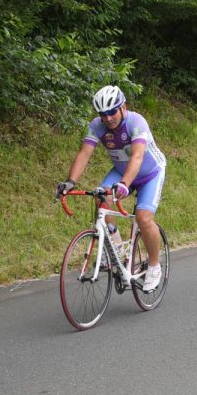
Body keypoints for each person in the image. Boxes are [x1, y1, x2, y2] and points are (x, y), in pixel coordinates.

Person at [55, 85, 166, 292]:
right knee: (101, 198)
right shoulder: (97, 126)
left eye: (112, 112)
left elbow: (138, 156)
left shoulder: (136, 122)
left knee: (143, 218)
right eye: (102, 114)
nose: (107, 118)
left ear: (123, 107)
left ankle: (154, 266)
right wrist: (70, 182)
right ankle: (116, 250)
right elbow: (85, 153)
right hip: (121, 170)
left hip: (150, 173)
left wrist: (124, 185)